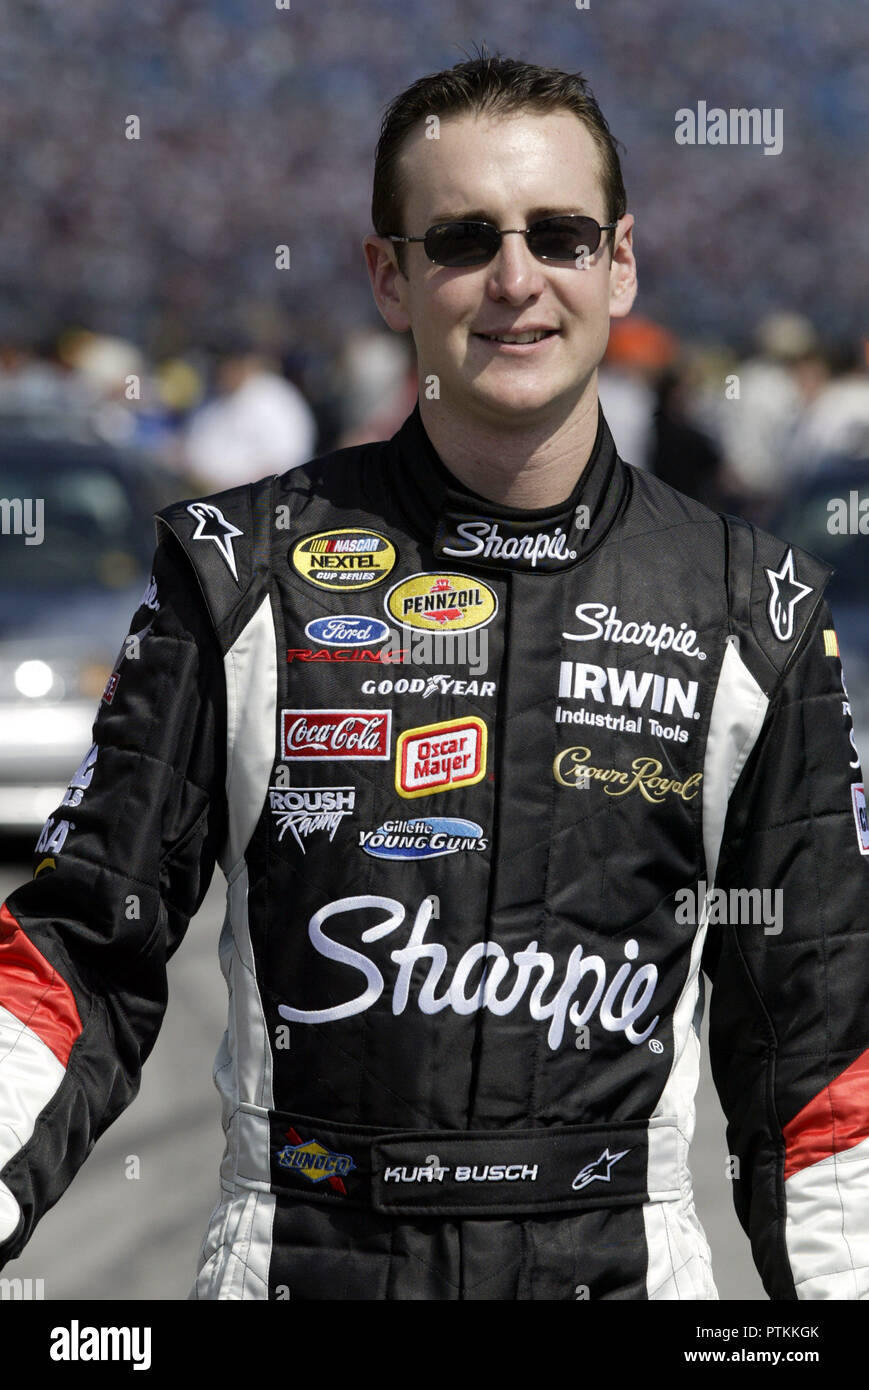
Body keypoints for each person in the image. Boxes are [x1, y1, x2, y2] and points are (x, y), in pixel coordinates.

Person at [1, 53, 867, 1303]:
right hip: (300, 1257)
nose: (515, 279)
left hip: (620, 1269)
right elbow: (85, 950)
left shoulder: (753, 610)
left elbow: (820, 1046)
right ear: (389, 276)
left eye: (557, 235)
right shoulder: (241, 575)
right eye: (463, 239)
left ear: (618, 261)